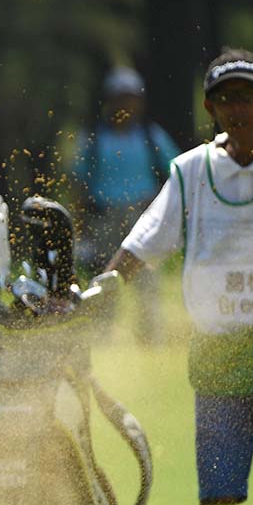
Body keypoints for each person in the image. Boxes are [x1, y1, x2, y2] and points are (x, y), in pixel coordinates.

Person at [105, 48, 253, 505]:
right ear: (210, 107)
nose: (236, 109)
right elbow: (144, 244)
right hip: (218, 355)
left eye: (248, 97)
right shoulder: (192, 172)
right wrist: (103, 290)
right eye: (225, 99)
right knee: (217, 498)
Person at [72, 67, 181, 344]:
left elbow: (178, 171)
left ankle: (150, 341)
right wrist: (81, 229)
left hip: (142, 216)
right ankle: (101, 341)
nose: (126, 104)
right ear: (109, 100)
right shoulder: (94, 138)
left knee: (146, 280)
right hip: (104, 219)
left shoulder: (150, 135)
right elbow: (79, 184)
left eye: (131, 98)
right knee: (105, 281)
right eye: (120, 98)